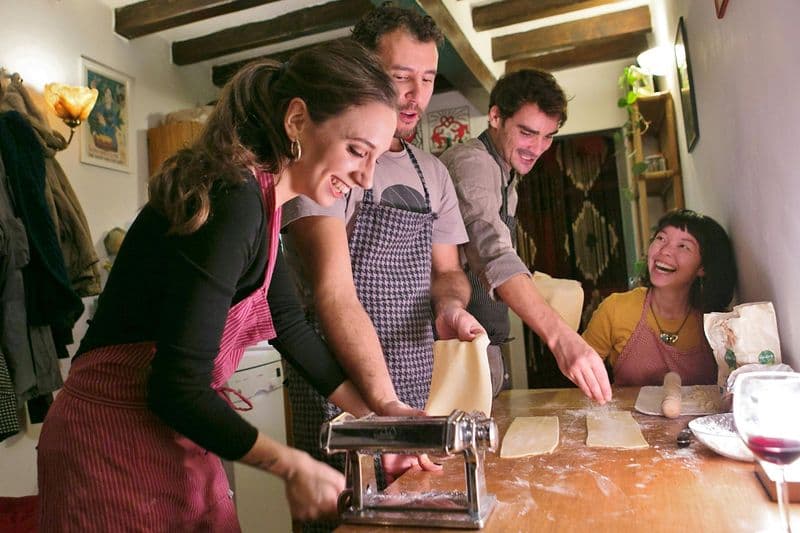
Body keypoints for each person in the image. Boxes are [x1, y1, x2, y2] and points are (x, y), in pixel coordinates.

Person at [37, 41, 399, 531]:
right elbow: (177, 388)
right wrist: (291, 465)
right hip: (107, 442)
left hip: (170, 435)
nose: (365, 175)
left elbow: (289, 326)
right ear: (297, 121)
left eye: (376, 156)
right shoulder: (234, 199)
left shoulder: (264, 202)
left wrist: (383, 424)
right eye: (357, 150)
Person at [281, 2, 483, 496]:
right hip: (337, 383)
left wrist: (451, 307)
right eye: (401, 76)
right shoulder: (326, 160)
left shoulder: (430, 171)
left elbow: (448, 271)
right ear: (365, 69)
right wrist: (381, 406)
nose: (415, 97)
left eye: (429, 79)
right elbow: (334, 295)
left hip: (410, 382)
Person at [440, 68, 612, 403]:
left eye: (548, 136)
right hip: (452, 347)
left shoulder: (508, 180)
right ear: (495, 116)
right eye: (527, 133)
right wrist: (561, 338)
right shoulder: (472, 164)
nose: (537, 148)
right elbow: (493, 254)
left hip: (482, 343)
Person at [582, 208, 737, 385]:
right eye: (661, 238)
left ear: (702, 268)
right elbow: (581, 374)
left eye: (683, 246)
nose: (665, 251)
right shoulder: (616, 309)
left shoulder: (718, 325)